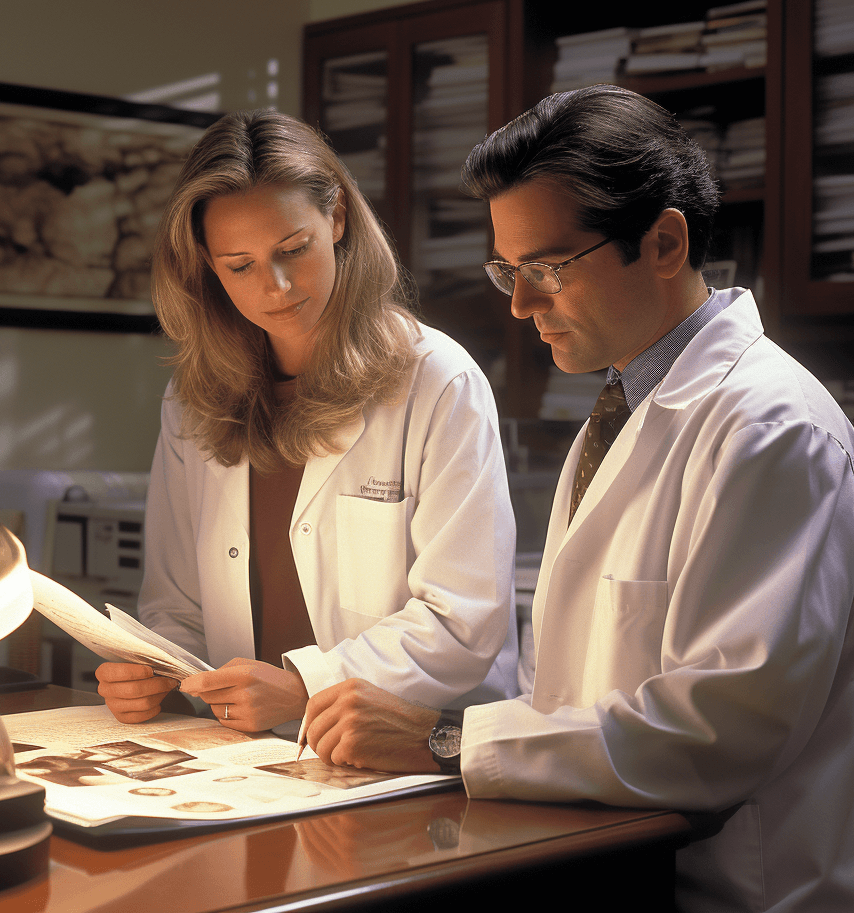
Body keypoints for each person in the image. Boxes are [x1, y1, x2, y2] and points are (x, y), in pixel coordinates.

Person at [301, 85, 854, 912]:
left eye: (546, 269)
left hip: (731, 890)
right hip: (605, 861)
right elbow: (572, 695)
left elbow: (722, 729)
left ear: (664, 242)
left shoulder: (773, 428)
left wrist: (448, 741)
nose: (520, 304)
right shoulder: (622, 408)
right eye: (508, 271)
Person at [96, 110, 518, 733]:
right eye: (240, 266)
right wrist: (152, 667)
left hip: (410, 750)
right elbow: (175, 603)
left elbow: (461, 620)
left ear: (338, 218)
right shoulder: (192, 399)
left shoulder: (436, 380)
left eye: (294, 249)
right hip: (246, 756)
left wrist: (304, 687)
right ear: (209, 268)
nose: (278, 285)